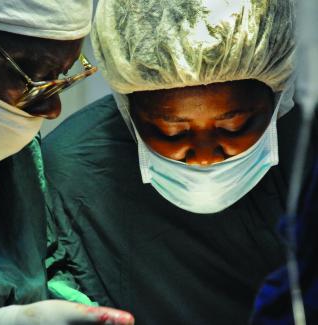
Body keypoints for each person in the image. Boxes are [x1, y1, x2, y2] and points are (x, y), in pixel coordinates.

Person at [42, 0, 317, 324]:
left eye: (234, 126)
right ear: (128, 111)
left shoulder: (306, 154)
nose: (203, 158)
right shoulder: (73, 177)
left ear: (277, 99)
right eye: (171, 132)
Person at [0, 0, 134, 324]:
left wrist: (80, 311)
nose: (53, 110)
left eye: (61, 77)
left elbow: (45, 263)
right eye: (33, 79)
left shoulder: (9, 142)